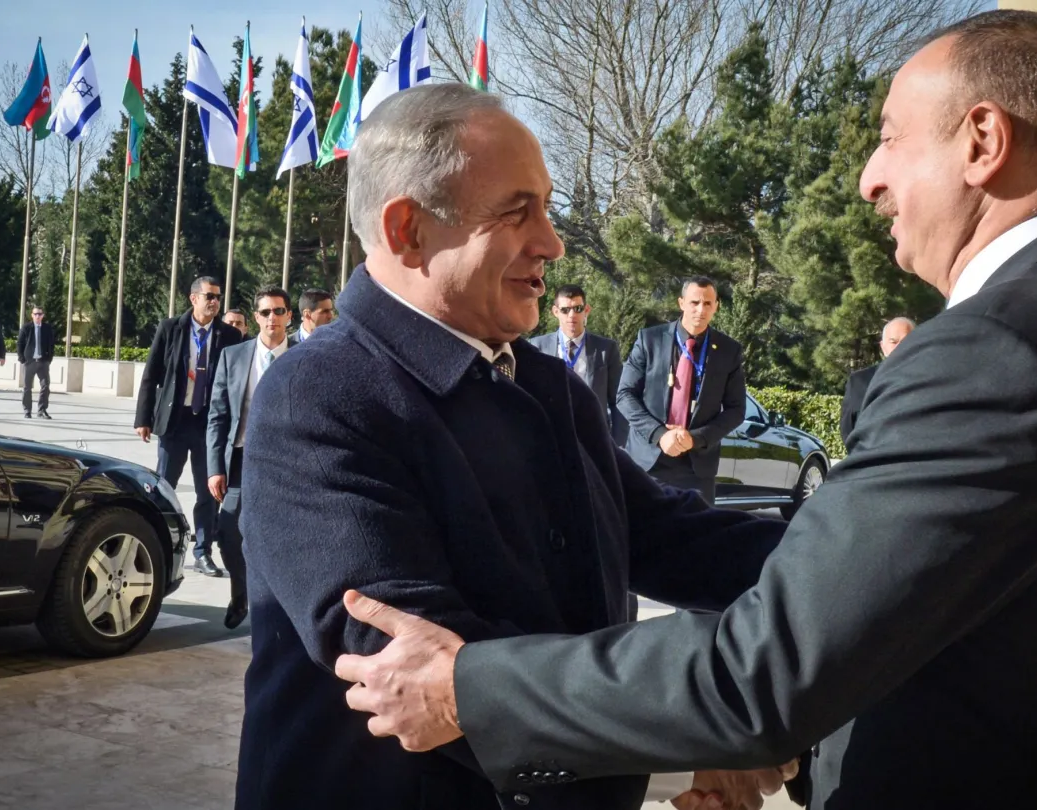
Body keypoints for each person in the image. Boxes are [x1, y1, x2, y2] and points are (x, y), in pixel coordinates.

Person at [329, 11, 1037, 810]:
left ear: (983, 141)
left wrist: (469, 689)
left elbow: (768, 667)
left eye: (889, 138)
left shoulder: (1001, 348)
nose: (869, 178)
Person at [237, 83, 792, 810]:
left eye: (547, 208)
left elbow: (662, 535)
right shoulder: (318, 396)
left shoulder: (544, 384)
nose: (552, 243)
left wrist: (849, 559)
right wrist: (695, 744)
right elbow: (431, 672)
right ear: (408, 229)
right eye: (515, 211)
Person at [134, 276, 243, 578]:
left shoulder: (230, 336)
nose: (215, 302)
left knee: (208, 491)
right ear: (193, 298)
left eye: (218, 297)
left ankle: (203, 552)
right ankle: (155, 542)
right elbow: (151, 373)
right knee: (164, 486)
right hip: (175, 421)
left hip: (210, 423)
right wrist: (143, 418)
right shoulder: (171, 328)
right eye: (209, 296)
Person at [206, 286, 296, 630]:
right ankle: (240, 594)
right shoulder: (233, 356)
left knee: (283, 535)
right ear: (256, 317)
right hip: (242, 459)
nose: (272, 318)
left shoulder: (304, 355)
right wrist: (215, 468)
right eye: (265, 312)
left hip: (287, 463)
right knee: (229, 530)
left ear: (289, 316)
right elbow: (217, 416)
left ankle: (278, 603)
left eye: (278, 311)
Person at [617, 278, 746, 506]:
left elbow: (736, 410)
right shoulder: (650, 340)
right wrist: (659, 434)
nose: (701, 310)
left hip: (696, 467)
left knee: (698, 528)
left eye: (708, 303)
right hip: (648, 461)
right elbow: (625, 395)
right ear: (681, 303)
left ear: (716, 306)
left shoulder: (728, 350)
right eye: (694, 302)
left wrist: (695, 439)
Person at [528, 284, 628, 446]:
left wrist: (617, 444)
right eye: (565, 310)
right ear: (555, 312)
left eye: (578, 308)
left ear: (586, 310)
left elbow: (618, 400)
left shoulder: (606, 349)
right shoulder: (537, 347)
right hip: (551, 439)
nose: (572, 315)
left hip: (593, 440)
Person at [838, 316, 914, 446]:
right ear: (883, 347)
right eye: (893, 342)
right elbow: (848, 430)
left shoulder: (931, 378)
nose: (900, 347)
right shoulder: (860, 381)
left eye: (906, 341)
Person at [17, 305, 56, 419]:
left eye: (40, 314)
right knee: (27, 387)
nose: (37, 316)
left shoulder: (47, 328)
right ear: (32, 315)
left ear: (43, 316)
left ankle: (42, 410)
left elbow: (51, 344)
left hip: (43, 362)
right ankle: (27, 411)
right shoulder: (26, 327)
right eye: (35, 314)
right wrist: (22, 359)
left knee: (45, 386)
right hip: (29, 361)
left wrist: (49, 359)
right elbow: (20, 343)